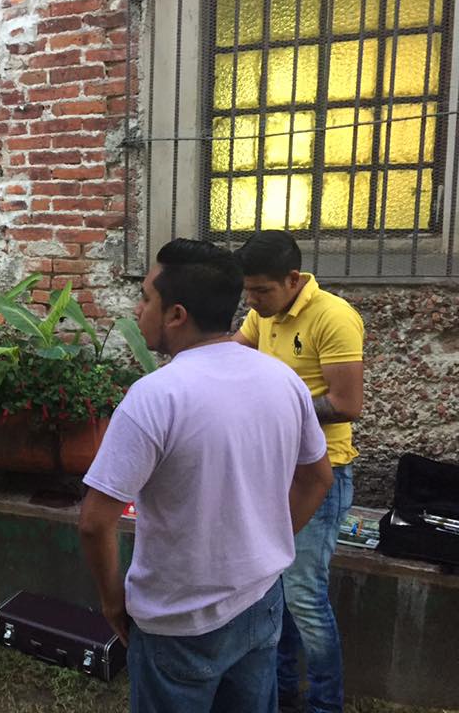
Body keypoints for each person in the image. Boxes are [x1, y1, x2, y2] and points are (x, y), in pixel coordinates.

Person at [79, 239, 334, 713]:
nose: (138, 309)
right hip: (260, 600)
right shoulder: (284, 380)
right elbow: (318, 478)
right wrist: (267, 541)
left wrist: (113, 602)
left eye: (146, 299)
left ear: (176, 315)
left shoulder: (154, 396)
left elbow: (96, 521)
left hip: (178, 621)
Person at [233, 230, 364, 713]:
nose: (252, 300)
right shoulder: (261, 312)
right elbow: (231, 353)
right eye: (248, 291)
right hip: (270, 470)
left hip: (320, 472)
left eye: (261, 291)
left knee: (305, 599)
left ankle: (326, 705)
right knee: (274, 590)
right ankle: (283, 692)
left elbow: (348, 403)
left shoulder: (333, 316)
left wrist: (279, 407)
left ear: (293, 279)